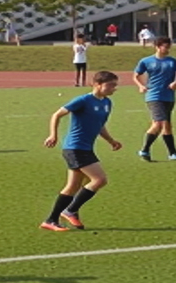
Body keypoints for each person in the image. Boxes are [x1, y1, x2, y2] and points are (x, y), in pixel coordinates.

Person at [43, 71, 123, 230]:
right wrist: (53, 135)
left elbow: (99, 125)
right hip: (75, 147)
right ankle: (70, 210)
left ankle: (51, 220)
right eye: (111, 85)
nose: (114, 88)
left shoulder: (107, 103)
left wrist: (111, 141)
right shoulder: (83, 100)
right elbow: (57, 114)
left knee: (72, 187)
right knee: (99, 180)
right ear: (97, 84)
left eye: (115, 85)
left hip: (85, 148)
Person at [134, 36, 176, 161]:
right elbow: (136, 75)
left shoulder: (173, 61)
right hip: (154, 96)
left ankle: (173, 153)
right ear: (157, 47)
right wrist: (141, 86)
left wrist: (175, 82)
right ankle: (144, 150)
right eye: (165, 46)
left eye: (169, 46)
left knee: (167, 125)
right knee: (158, 123)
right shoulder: (146, 61)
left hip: (168, 96)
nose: (168, 49)